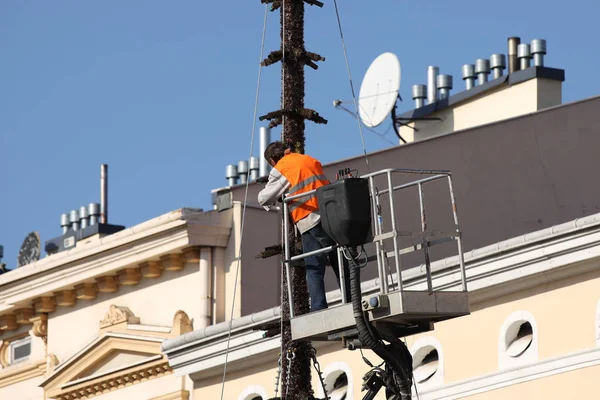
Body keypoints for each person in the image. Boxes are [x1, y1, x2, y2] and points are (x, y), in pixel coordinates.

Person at [257, 141, 352, 312]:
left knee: (314, 267)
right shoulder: (308, 160)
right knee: (339, 260)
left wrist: (280, 196)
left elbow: (264, 198)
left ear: (272, 160)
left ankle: (319, 309)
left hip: (310, 219)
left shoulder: (283, 167)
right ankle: (352, 301)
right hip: (330, 215)